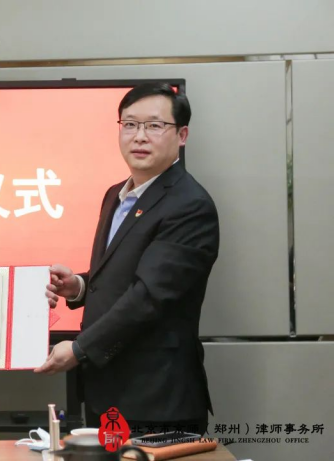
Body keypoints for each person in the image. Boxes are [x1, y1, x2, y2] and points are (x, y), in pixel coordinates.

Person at [36, 83, 219, 436]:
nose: (140, 136)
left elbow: (150, 296)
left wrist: (79, 349)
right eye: (130, 124)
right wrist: (79, 286)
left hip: (157, 397)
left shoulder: (189, 204)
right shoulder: (115, 195)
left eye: (154, 125)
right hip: (107, 392)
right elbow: (121, 274)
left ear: (182, 135)